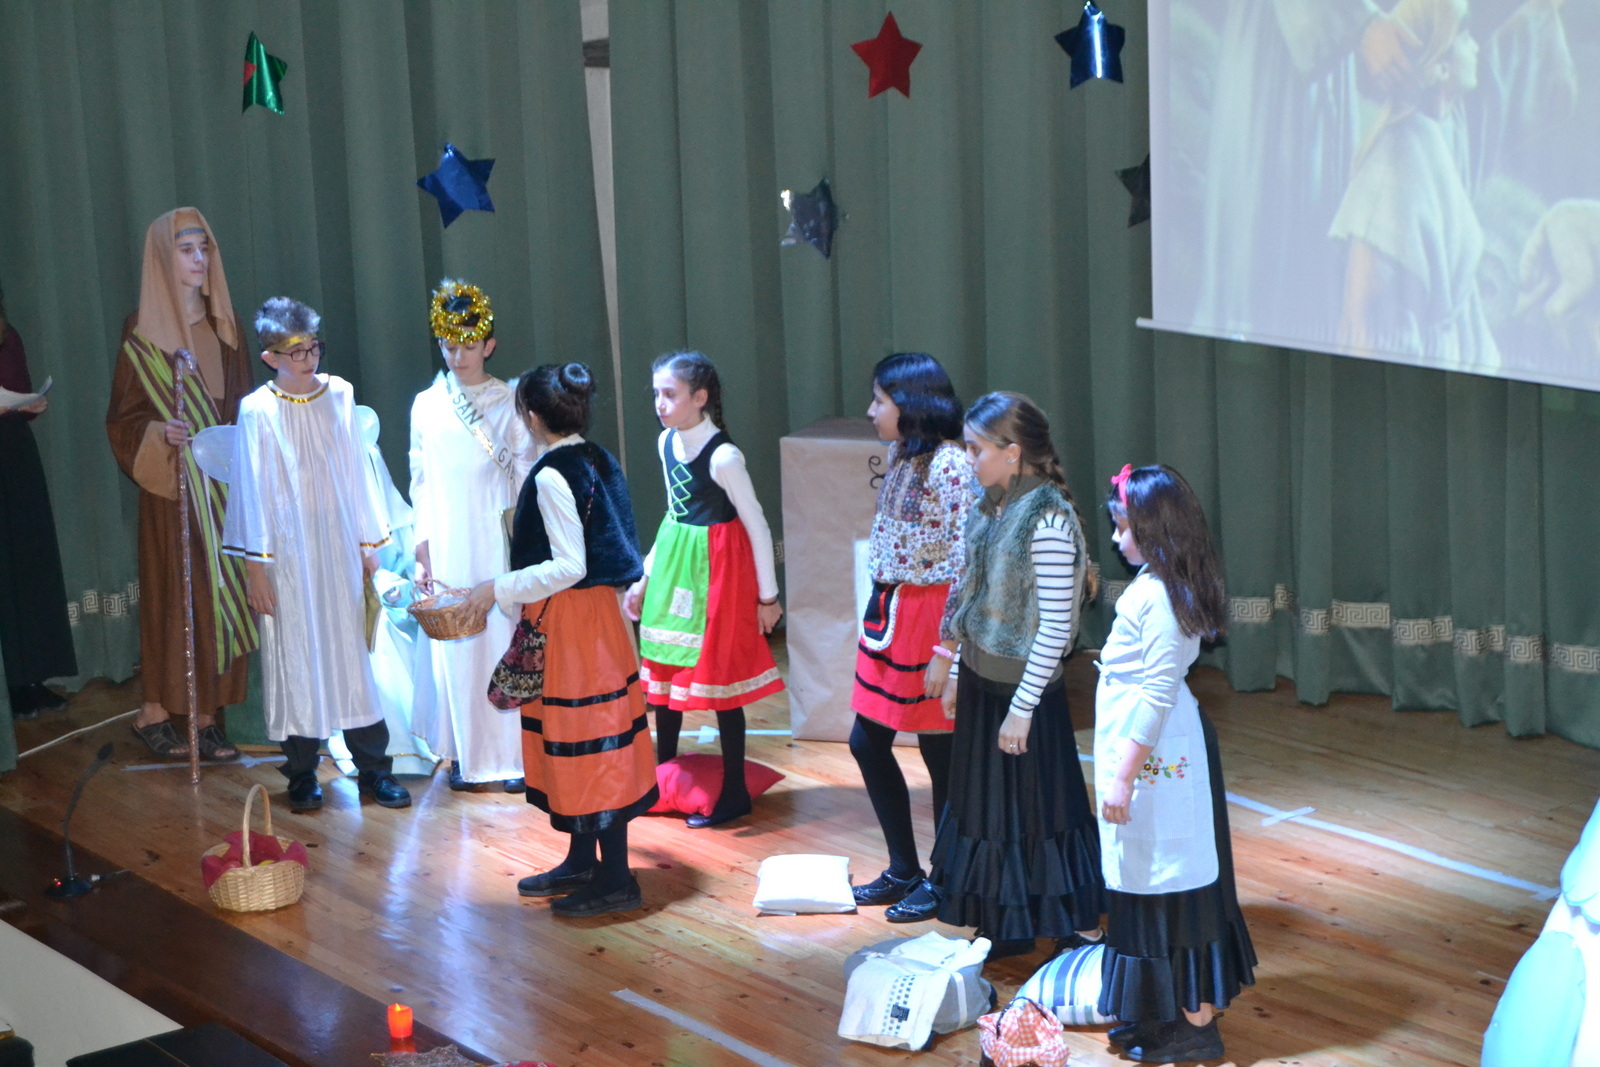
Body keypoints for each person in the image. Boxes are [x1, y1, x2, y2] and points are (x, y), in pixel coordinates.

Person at [900, 392, 1104, 962]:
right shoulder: (987, 505)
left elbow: (1057, 629)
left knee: (1042, 812)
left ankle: (1079, 928)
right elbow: (968, 587)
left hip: (1025, 697)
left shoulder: (1048, 520)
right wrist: (950, 658)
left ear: (1013, 452)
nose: (968, 459)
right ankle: (1009, 924)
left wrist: (1022, 708)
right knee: (994, 814)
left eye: (976, 449)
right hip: (983, 685)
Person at [462, 363, 657, 917]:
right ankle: (582, 859)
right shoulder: (597, 457)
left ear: (531, 416)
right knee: (586, 739)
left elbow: (570, 565)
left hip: (573, 622)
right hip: (595, 617)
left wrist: (496, 587)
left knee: (592, 744)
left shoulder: (551, 475)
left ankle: (616, 879)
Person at [222, 298, 410, 813]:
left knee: (351, 657)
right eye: (296, 351)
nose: (308, 359)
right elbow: (252, 491)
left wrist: (370, 547)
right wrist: (256, 569)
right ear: (270, 358)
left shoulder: (339, 395)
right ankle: (303, 772)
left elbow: (356, 472)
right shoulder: (258, 410)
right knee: (296, 657)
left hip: (338, 548)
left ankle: (374, 769)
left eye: (313, 348)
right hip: (287, 556)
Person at [1095, 464, 1257, 1064]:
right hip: (1149, 754)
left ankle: (1196, 1024)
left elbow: (1157, 693)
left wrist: (1122, 776)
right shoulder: (1153, 585)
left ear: (1156, 530)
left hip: (1160, 755)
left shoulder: (1161, 598)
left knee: (1178, 884)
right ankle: (1161, 1011)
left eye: (1124, 528)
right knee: (1148, 879)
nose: (1117, 540)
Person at [106, 208, 256, 760]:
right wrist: (158, 432)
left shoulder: (227, 328)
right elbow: (122, 419)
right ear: (163, 260)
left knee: (222, 593)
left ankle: (208, 716)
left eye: (204, 248)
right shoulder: (141, 332)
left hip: (222, 486)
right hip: (171, 489)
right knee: (176, 597)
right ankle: (155, 712)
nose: (198, 259)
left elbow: (244, 410)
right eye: (186, 250)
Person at [623, 351, 784, 829]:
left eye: (669, 394)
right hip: (675, 564)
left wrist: (768, 598)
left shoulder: (724, 457)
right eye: (656, 393)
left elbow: (757, 526)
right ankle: (663, 777)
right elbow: (673, 514)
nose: (659, 403)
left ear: (699, 398)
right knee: (665, 672)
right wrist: (644, 577)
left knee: (720, 680)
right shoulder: (666, 443)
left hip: (718, 573)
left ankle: (734, 793)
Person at [848, 354, 975, 909]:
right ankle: (903, 868)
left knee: (939, 754)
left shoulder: (951, 465)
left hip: (931, 617)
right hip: (892, 609)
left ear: (911, 403)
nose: (871, 410)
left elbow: (969, 561)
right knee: (865, 740)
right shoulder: (904, 453)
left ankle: (944, 881)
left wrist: (950, 649)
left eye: (880, 400)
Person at [408, 280, 535, 792]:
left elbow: (525, 478)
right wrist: (423, 551)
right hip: (449, 540)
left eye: (467, 345)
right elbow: (419, 480)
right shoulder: (426, 404)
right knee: (458, 647)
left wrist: (526, 549)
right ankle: (464, 751)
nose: (457, 357)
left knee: (504, 641)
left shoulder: (509, 402)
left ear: (489, 345)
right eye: (448, 346)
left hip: (495, 540)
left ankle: (514, 756)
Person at [0, 282, 77, 717]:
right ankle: (11, 685)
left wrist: (32, 404)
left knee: (30, 566)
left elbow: (22, 389)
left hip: (15, 456)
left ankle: (35, 678)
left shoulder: (9, 336)